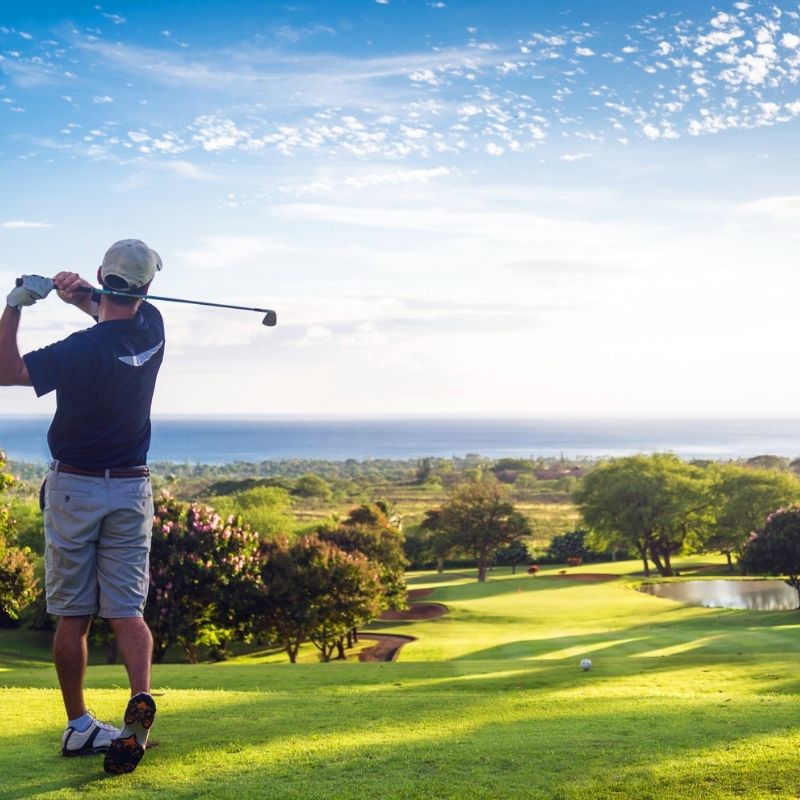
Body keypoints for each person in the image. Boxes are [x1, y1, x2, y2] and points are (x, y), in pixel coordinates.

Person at [0, 239, 165, 775]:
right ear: (147, 287)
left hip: (76, 488)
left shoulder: (77, 351)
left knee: (73, 617)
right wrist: (78, 297)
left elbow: (7, 371)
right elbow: (112, 311)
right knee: (128, 614)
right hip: (131, 489)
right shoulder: (154, 327)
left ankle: (79, 728)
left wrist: (16, 305)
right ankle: (138, 706)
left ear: (102, 275)